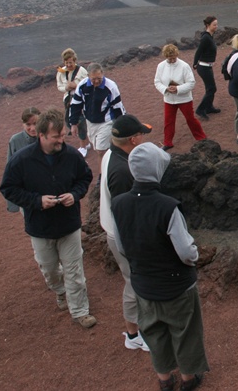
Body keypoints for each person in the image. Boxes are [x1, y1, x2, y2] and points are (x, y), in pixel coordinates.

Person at [111, 143, 209, 391]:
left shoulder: (119, 203)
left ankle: (164, 380)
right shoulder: (167, 206)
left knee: (154, 334)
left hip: (143, 285)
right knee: (184, 332)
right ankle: (188, 380)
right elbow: (186, 252)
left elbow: (122, 246)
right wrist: (195, 255)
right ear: (157, 169)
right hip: (176, 287)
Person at [0, 108, 97, 328]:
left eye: (63, 135)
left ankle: (80, 310)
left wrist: (74, 194)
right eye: (56, 137)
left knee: (74, 269)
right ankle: (60, 291)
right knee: (50, 269)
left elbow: (85, 177)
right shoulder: (21, 160)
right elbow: (8, 188)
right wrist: (37, 201)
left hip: (69, 224)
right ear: (42, 135)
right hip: (40, 227)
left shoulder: (71, 155)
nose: (61, 140)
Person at [99, 114, 153, 352]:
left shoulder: (112, 154)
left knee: (135, 280)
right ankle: (134, 335)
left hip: (116, 230)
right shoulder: (121, 171)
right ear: (133, 139)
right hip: (122, 235)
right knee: (134, 282)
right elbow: (125, 214)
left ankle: (139, 329)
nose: (143, 137)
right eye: (141, 134)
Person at [154, 44, 207, 150]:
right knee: (168, 121)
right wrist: (165, 89)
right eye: (170, 59)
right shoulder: (161, 66)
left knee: (190, 119)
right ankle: (167, 142)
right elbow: (157, 82)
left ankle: (201, 138)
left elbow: (191, 83)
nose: (172, 60)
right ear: (166, 57)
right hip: (169, 99)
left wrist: (178, 89)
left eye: (174, 58)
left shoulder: (184, 66)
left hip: (184, 99)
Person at [69, 62, 125, 160]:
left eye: (99, 78)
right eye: (93, 79)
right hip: (90, 122)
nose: (96, 81)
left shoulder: (111, 86)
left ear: (102, 74)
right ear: (88, 76)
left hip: (106, 121)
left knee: (101, 150)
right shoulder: (82, 86)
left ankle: (103, 174)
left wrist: (121, 124)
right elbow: (76, 105)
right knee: (98, 148)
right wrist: (73, 123)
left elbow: (118, 107)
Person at [56, 48, 91, 156]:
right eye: (66, 63)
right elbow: (59, 86)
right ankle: (86, 142)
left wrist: (76, 86)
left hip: (81, 100)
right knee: (69, 121)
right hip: (68, 101)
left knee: (79, 122)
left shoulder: (82, 71)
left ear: (74, 60)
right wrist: (67, 88)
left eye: (70, 62)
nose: (69, 65)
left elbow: (88, 85)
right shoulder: (61, 72)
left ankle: (83, 147)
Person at [6, 106, 41, 213]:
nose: (33, 128)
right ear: (23, 124)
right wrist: (13, 204)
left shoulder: (49, 137)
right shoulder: (15, 140)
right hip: (26, 195)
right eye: (28, 124)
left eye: (36, 123)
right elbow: (10, 171)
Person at [193, 16, 221, 119]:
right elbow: (199, 51)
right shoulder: (206, 38)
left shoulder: (209, 36)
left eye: (216, 24)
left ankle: (209, 107)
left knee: (209, 88)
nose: (216, 26)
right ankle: (200, 109)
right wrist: (195, 63)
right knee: (212, 88)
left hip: (207, 66)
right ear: (207, 25)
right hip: (204, 67)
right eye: (214, 25)